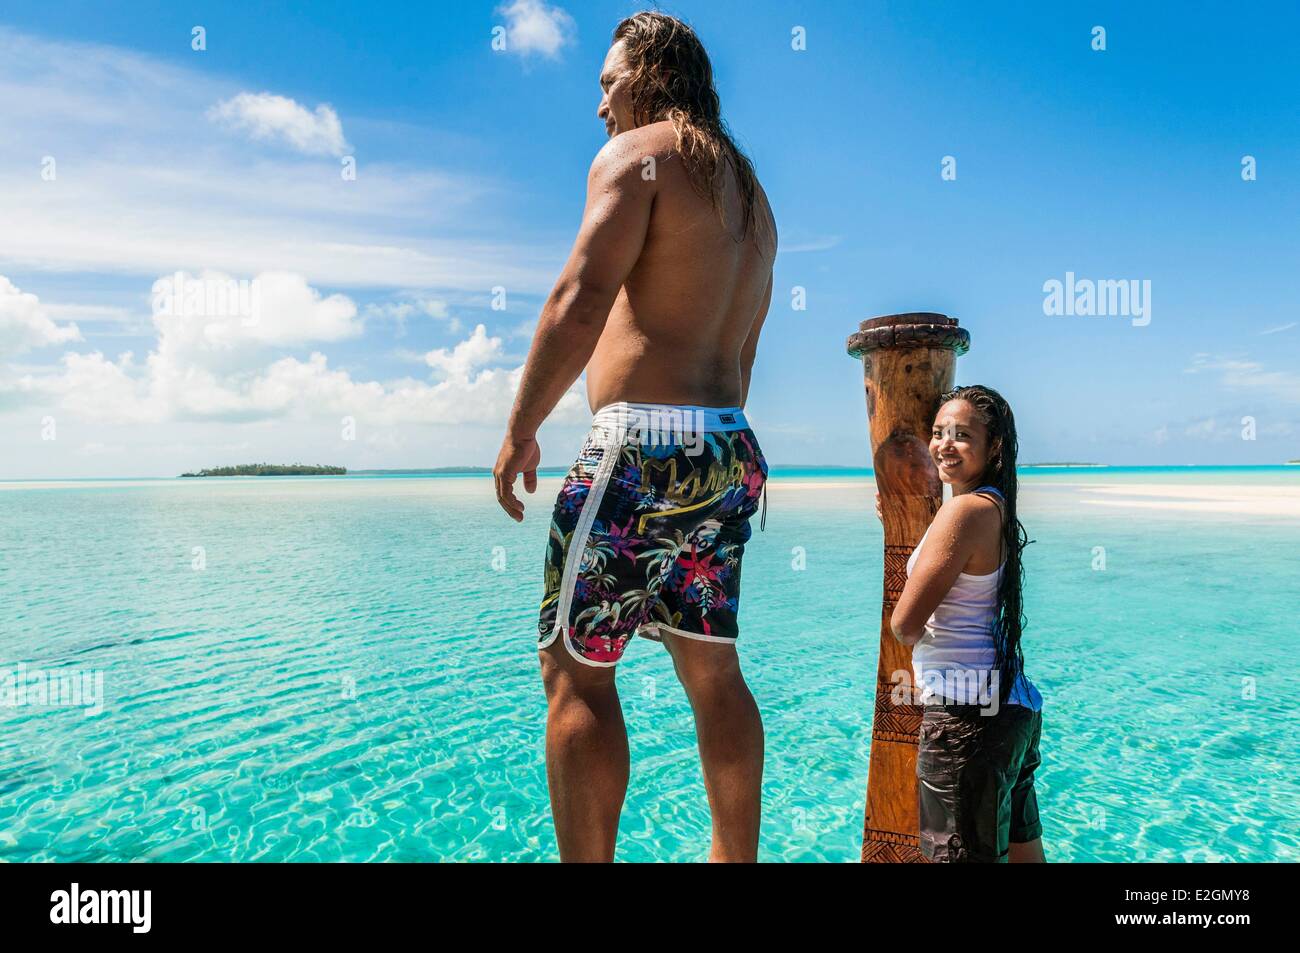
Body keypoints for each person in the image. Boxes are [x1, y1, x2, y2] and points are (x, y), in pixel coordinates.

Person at [493, 11, 777, 862]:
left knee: (576, 668)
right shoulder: (753, 198)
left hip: (636, 445)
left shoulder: (637, 157)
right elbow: (746, 349)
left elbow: (579, 296)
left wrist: (520, 430)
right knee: (713, 670)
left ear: (651, 75)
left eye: (609, 83)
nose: (601, 106)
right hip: (729, 447)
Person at [880, 384, 1046, 863]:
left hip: (964, 719)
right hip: (1013, 710)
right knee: (1024, 853)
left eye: (962, 435)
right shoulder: (991, 506)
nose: (943, 445)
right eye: (937, 433)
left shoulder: (965, 511)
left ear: (993, 446)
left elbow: (905, 625)